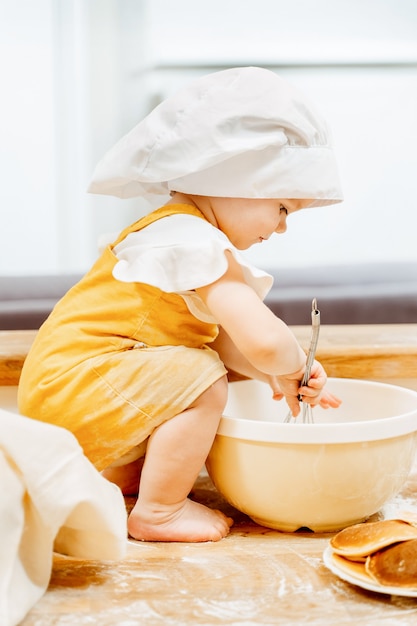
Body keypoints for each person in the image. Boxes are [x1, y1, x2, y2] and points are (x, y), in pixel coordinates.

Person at [18, 67, 343, 543]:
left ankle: (128, 488)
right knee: (200, 377)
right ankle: (159, 511)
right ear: (241, 181)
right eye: (282, 208)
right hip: (72, 386)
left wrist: (277, 375)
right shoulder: (191, 239)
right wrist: (294, 360)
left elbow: (229, 344)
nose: (281, 228)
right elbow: (264, 341)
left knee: (199, 364)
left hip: (71, 388)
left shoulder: (179, 233)